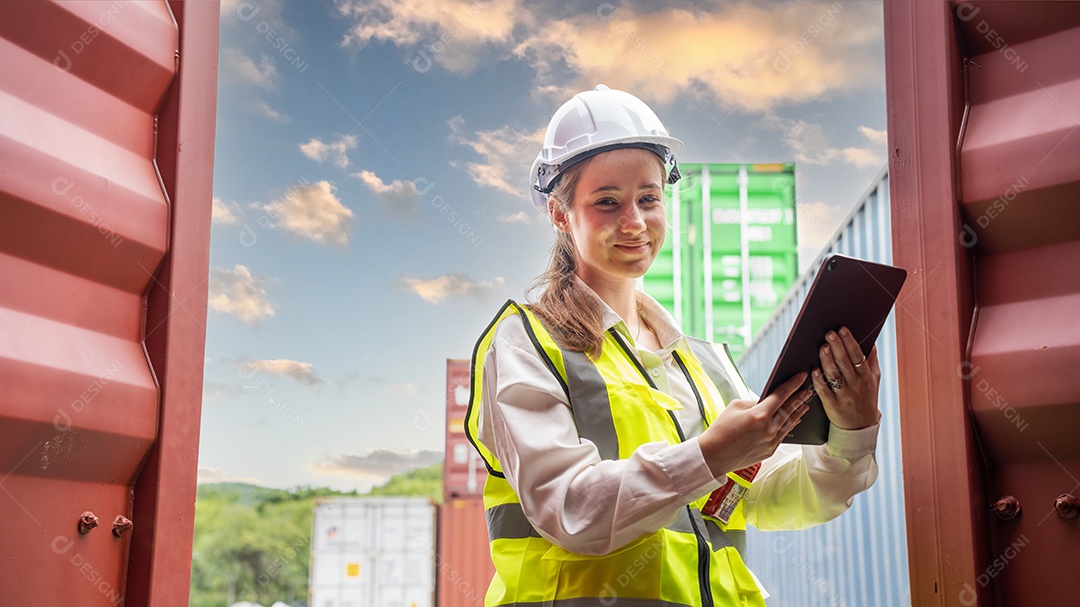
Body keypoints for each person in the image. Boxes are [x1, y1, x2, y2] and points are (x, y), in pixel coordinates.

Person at [464, 85, 881, 607]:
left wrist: (852, 431)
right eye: (607, 202)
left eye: (648, 198)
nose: (634, 222)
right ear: (559, 214)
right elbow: (570, 511)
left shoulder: (704, 364)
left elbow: (769, 500)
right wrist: (712, 452)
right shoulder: (527, 343)